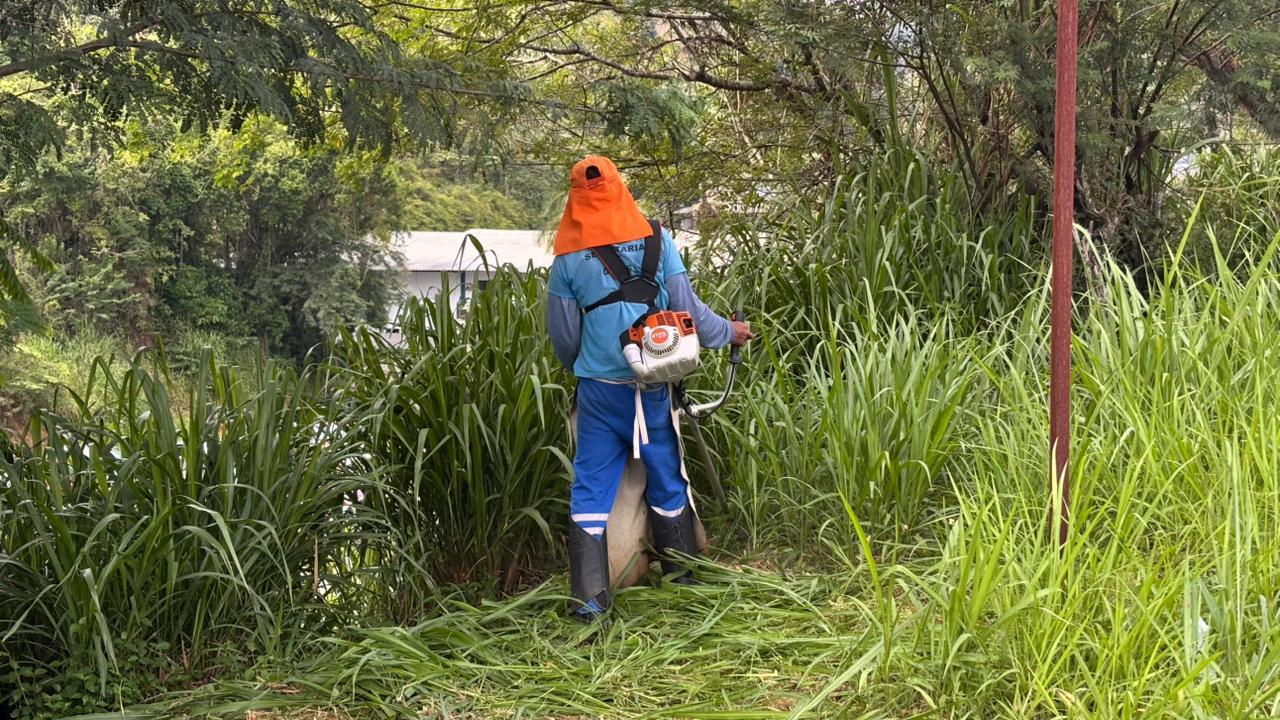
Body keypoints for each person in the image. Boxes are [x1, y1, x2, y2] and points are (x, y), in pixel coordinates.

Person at [545, 155, 754, 623]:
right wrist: (730, 331)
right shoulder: (658, 240)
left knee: (591, 490)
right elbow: (689, 313)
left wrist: (582, 364)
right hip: (654, 387)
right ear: (620, 188)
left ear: (576, 198)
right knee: (665, 473)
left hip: (599, 393)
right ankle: (681, 580)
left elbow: (563, 337)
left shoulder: (567, 261)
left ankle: (590, 604)